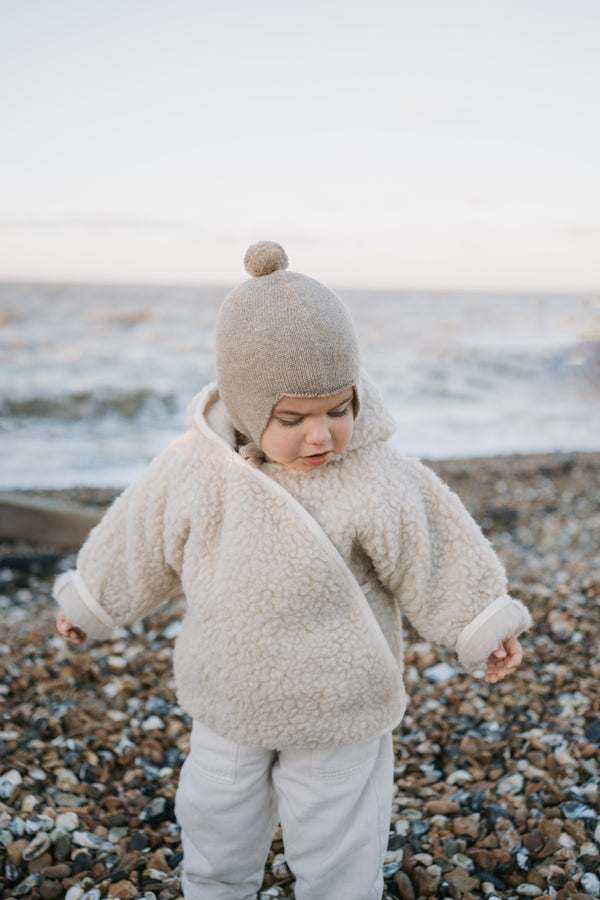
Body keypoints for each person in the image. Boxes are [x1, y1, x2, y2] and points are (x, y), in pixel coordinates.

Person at [54, 241, 531, 900]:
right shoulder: (197, 470)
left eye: (340, 408)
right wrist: (90, 601)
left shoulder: (375, 474)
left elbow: (437, 549)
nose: (322, 435)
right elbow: (137, 538)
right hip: (229, 692)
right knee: (216, 825)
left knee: (339, 844)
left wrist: (481, 623)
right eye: (293, 417)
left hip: (340, 700)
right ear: (249, 409)